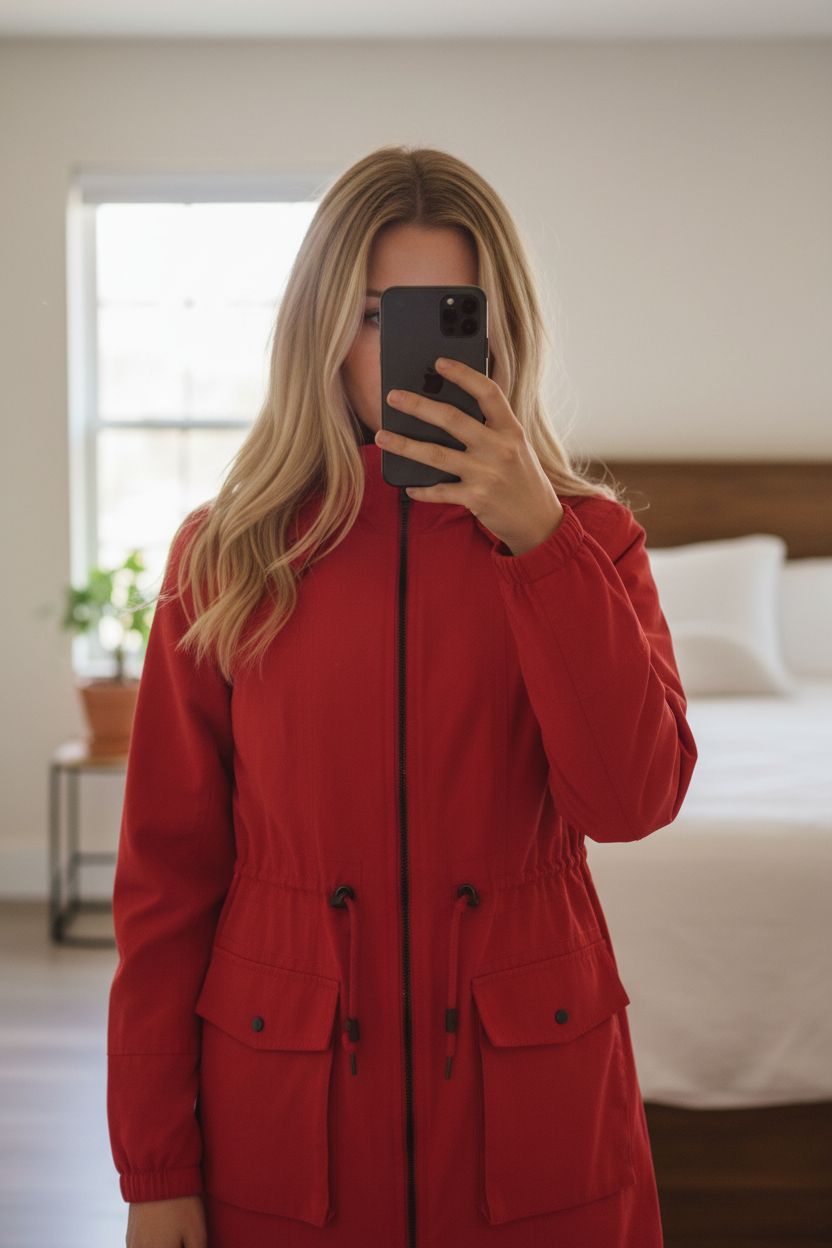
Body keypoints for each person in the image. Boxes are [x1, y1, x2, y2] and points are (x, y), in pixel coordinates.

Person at [107, 144, 698, 1248]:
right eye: (376, 314)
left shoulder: (593, 545)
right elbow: (164, 883)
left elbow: (631, 802)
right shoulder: (226, 557)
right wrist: (154, 1164)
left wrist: (539, 542)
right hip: (283, 1110)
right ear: (321, 330)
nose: (403, 353)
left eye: (442, 313)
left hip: (534, 1110)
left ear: (496, 328)